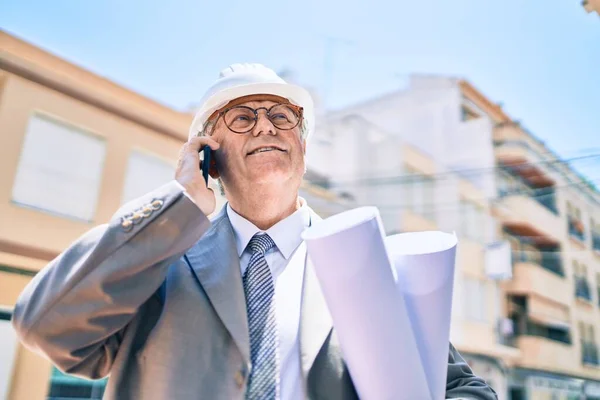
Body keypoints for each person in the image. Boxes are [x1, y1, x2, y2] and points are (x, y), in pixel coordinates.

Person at [12, 63, 497, 400]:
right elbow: (43, 325)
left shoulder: (368, 263)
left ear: (302, 150)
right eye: (243, 118)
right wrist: (176, 206)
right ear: (208, 154)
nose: (266, 126)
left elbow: (463, 389)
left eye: (282, 117)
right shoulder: (156, 260)